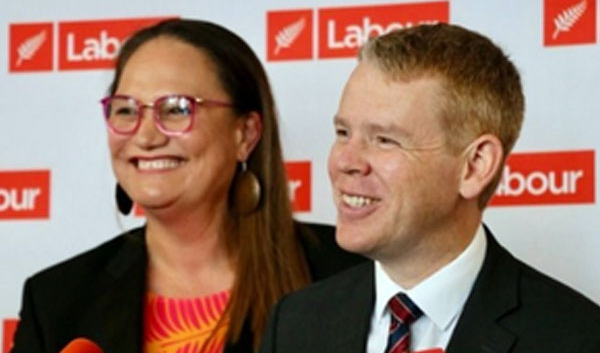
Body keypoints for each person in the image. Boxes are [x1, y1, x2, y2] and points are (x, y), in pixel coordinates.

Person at [11, 19, 364, 353]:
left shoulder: (349, 275)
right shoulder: (55, 301)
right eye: (126, 110)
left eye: (177, 110)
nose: (146, 137)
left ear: (245, 134)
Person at [259, 23, 600, 353]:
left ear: (475, 165)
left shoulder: (575, 338)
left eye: (384, 140)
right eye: (343, 133)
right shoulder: (294, 323)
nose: (345, 161)